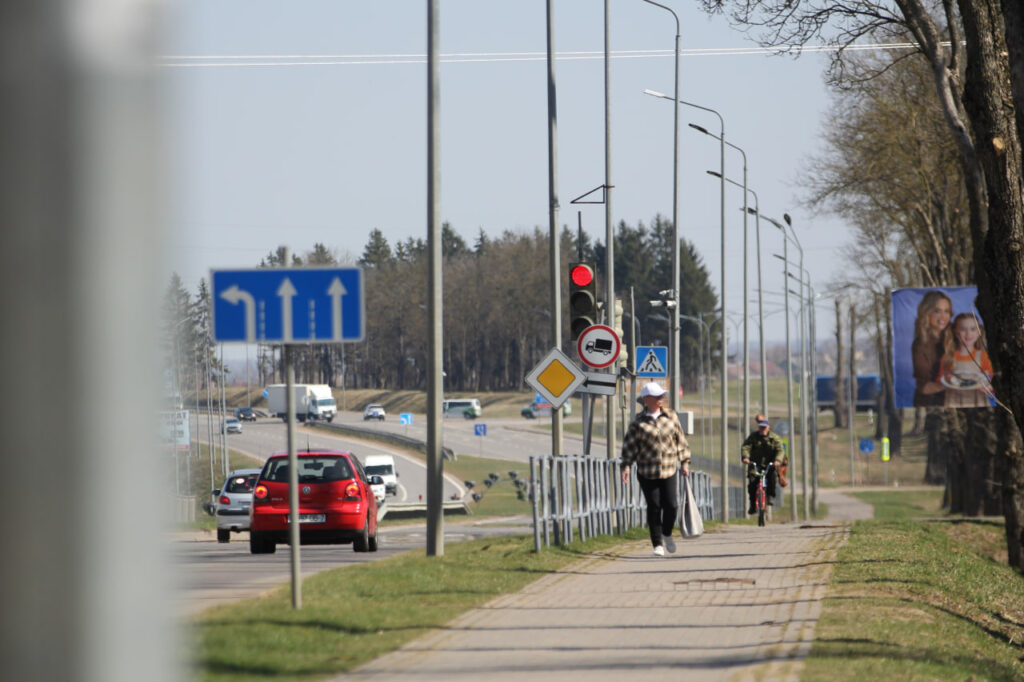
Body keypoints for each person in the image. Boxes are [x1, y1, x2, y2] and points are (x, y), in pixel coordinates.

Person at [620, 381, 691, 557]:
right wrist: (626, 466)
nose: (661, 398)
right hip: (647, 472)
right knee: (654, 506)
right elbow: (630, 446)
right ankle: (657, 543)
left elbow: (680, 441)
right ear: (647, 399)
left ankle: (666, 533)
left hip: (669, 469)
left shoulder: (671, 416)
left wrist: (685, 462)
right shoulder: (638, 422)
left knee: (672, 505)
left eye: (662, 396)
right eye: (658, 396)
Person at [938, 312, 994, 408]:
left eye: (973, 329)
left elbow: (992, 382)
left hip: (978, 402)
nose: (968, 334)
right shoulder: (948, 356)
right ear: (955, 332)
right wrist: (948, 379)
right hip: (954, 402)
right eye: (963, 329)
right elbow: (941, 379)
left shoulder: (984, 356)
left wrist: (989, 387)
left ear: (979, 331)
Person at [911, 290, 953, 407]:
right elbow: (924, 387)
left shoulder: (957, 335)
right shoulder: (920, 345)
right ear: (927, 312)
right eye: (937, 311)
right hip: (931, 404)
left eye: (946, 311)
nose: (943, 316)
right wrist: (954, 385)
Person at [741, 414, 785, 515]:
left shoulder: (775, 438)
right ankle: (753, 505)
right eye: (761, 427)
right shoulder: (753, 437)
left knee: (772, 478)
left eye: (764, 427)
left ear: (768, 427)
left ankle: (770, 496)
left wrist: (777, 460)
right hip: (755, 465)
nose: (763, 429)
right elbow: (746, 447)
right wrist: (745, 457)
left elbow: (780, 450)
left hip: (770, 465)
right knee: (752, 484)